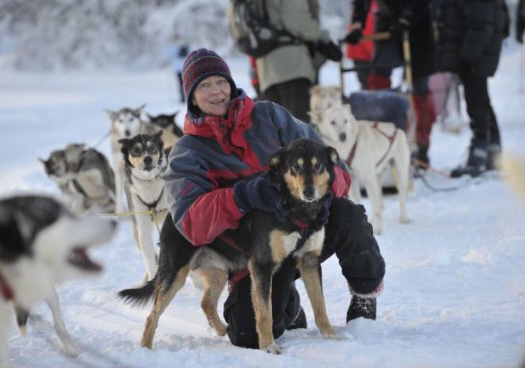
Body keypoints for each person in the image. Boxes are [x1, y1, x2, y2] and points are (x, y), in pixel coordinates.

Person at [164, 49, 386, 349]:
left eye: (220, 81)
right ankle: (287, 305)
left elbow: (334, 167)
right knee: (248, 336)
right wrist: (242, 195)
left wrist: (314, 192)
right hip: (254, 254)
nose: (215, 91)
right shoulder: (187, 151)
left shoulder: (268, 115)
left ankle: (364, 297)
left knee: (346, 214)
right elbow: (191, 223)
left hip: (306, 229)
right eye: (204, 85)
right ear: (191, 96)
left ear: (231, 83)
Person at [345, 0, 437, 167]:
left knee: (419, 89)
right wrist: (357, 26)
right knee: (378, 85)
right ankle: (380, 142)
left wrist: (406, 20)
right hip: (386, 21)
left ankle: (421, 147)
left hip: (418, 26)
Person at [436, 0, 508, 177]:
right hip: (476, 51)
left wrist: (467, 55)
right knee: (481, 99)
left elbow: (482, 24)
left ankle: (480, 151)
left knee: (476, 100)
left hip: (477, 54)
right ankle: (492, 150)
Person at [255, 0, 343, 123]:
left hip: (267, 71)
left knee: (278, 129)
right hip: (292, 67)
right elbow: (297, 22)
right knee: (301, 127)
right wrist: (322, 37)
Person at [345, 0, 378, 90]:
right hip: (361, 52)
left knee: (372, 82)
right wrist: (374, 52)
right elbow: (366, 32)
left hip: (367, 51)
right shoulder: (365, 6)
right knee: (367, 82)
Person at [165, 36, 190, 103]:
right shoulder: (185, 45)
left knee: (180, 83)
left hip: (177, 68)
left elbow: (168, 56)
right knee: (187, 82)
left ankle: (182, 98)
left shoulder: (171, 47)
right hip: (186, 67)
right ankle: (188, 96)